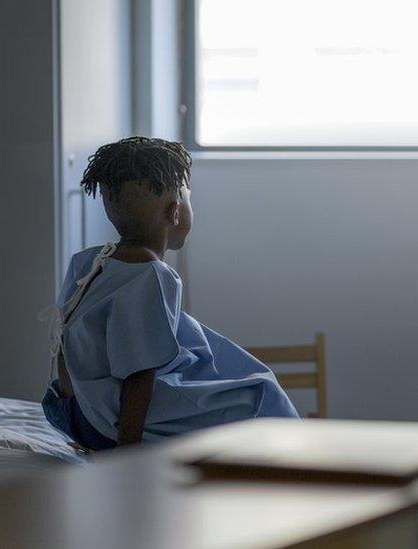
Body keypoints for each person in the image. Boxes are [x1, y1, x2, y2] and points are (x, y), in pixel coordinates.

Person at [42, 137, 298, 450]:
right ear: (176, 212)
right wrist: (126, 452)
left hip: (76, 412)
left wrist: (75, 415)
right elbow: (140, 377)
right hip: (115, 426)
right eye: (189, 198)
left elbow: (63, 347)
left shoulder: (88, 261)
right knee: (259, 392)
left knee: (214, 358)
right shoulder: (152, 276)